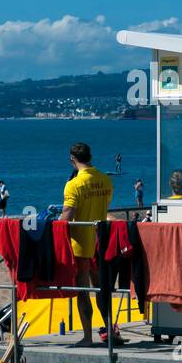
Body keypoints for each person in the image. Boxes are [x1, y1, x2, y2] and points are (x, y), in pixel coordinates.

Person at [60, 142, 116, 346]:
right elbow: (106, 204)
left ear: (72, 160)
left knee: (82, 291)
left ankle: (87, 337)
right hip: (100, 239)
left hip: (81, 243)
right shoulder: (105, 179)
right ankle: (110, 330)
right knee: (102, 289)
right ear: (90, 157)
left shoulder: (74, 184)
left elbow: (66, 215)